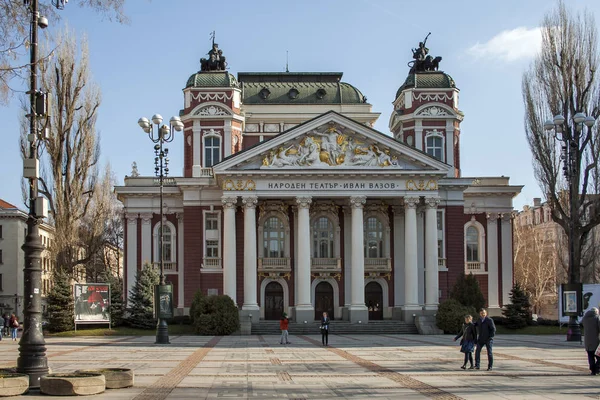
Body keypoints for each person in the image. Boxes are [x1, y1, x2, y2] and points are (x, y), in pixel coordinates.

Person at [581, 307, 600, 375]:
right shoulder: (597, 318)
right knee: (598, 356)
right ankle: (597, 368)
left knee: (590, 356)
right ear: (596, 312)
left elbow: (582, 324)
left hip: (587, 341)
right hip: (596, 341)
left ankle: (593, 370)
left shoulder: (585, 318)